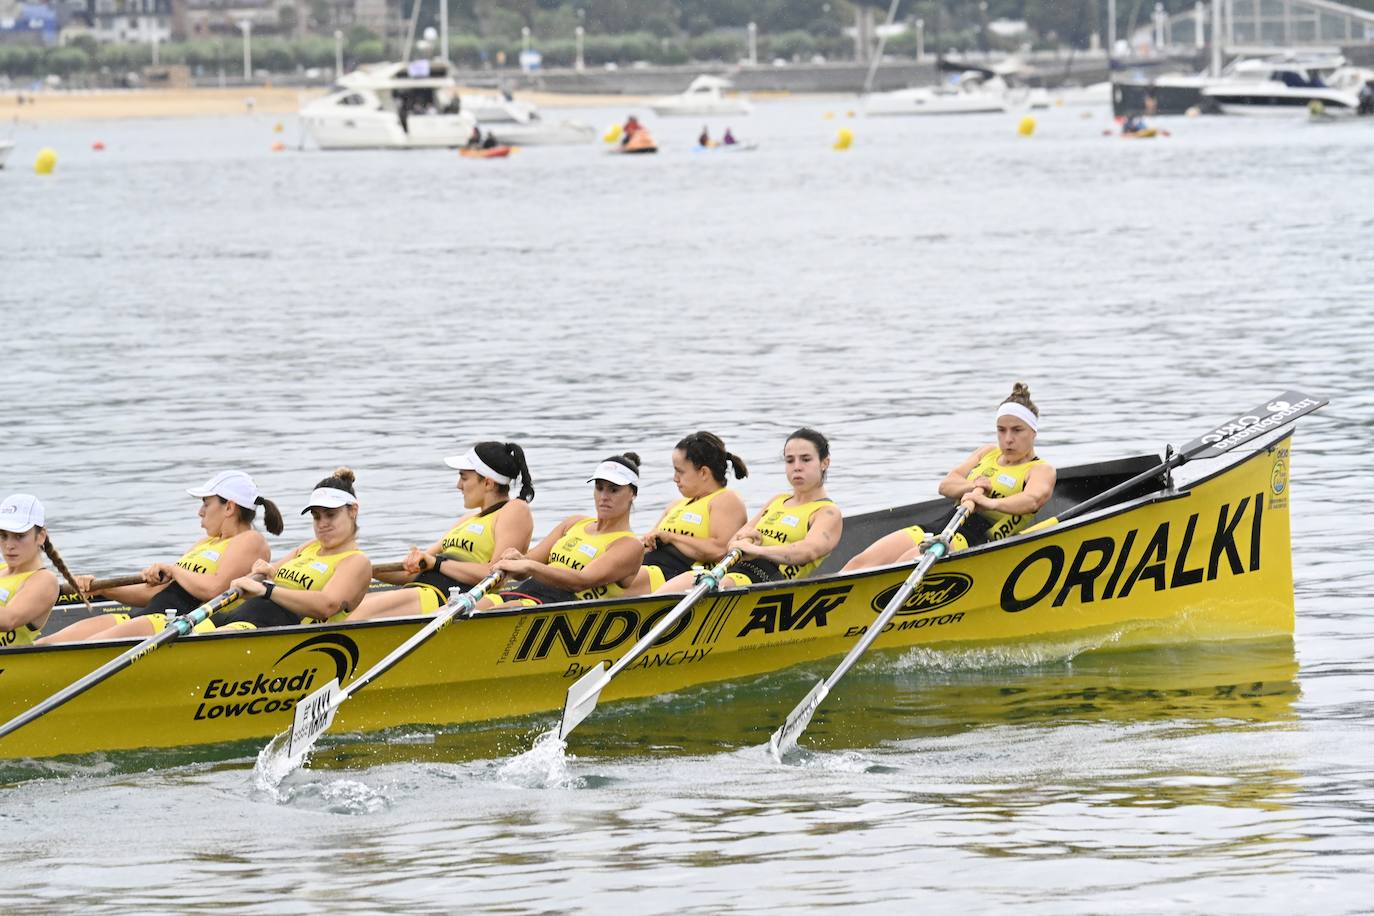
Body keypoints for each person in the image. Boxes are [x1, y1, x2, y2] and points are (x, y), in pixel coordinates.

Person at [39, 471, 282, 643]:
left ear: (229, 507)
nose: (200, 511)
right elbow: (150, 594)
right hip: (145, 613)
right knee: (45, 646)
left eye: (206, 503)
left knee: (85, 648)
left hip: (173, 622)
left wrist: (174, 570)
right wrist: (100, 589)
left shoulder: (251, 540)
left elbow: (215, 589)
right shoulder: (205, 543)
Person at [842, 383, 1056, 570]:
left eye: (1017, 430)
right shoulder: (987, 453)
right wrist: (971, 486)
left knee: (904, 564)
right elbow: (946, 485)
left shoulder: (1040, 469)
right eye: (1001, 430)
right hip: (945, 522)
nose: (1008, 439)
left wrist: (987, 502)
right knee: (859, 563)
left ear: (1033, 431)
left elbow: (1032, 500)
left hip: (978, 537)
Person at [348, 442, 535, 621]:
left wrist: (437, 564)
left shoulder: (515, 509)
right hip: (421, 589)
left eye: (463, 477)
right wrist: (363, 568)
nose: (458, 485)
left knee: (354, 615)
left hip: (452, 597)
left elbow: (496, 574)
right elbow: (411, 572)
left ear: (487, 483)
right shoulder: (467, 520)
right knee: (342, 609)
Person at [658, 428, 842, 592]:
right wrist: (745, 535)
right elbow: (732, 543)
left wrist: (756, 550)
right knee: (689, 579)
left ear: (824, 463)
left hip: (769, 578)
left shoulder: (827, 512)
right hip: (736, 571)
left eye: (806, 459)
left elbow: (807, 552)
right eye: (789, 460)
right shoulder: (777, 501)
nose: (797, 467)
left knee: (694, 582)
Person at [476, 453, 644, 608]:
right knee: (465, 608)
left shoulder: (629, 545)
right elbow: (525, 567)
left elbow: (581, 581)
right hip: (526, 590)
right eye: (599, 488)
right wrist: (517, 559)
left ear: (633, 494)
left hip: (561, 604)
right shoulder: (574, 523)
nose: (604, 496)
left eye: (614, 490)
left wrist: (529, 566)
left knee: (488, 614)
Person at [213, 468, 372, 630]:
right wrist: (264, 572)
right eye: (316, 516)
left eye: (330, 514)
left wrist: (266, 589)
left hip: (272, 627)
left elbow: (327, 605)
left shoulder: (356, 561)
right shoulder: (309, 546)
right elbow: (270, 574)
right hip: (240, 616)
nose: (322, 524)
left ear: (353, 510)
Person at [627, 432, 748, 595]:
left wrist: (672, 537)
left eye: (680, 472)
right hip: (650, 566)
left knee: (609, 583)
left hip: (682, 574)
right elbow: (650, 540)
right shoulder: (675, 506)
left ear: (704, 473)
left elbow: (719, 550)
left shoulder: (725, 500)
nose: (675, 478)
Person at [0, 494, 80, 649]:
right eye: (3, 536)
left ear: (41, 536)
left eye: (20, 536)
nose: (9, 545)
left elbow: (9, 620)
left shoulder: (44, 580)